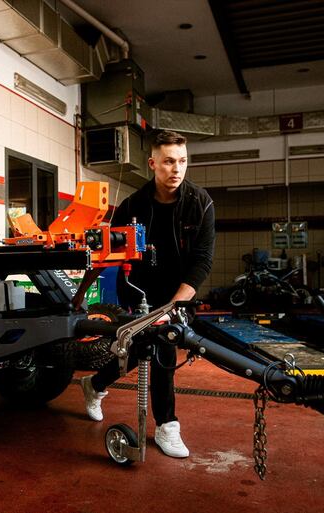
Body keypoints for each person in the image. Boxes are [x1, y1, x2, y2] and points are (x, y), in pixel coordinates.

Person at [80, 130, 215, 458]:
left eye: (182, 161)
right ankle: (167, 425)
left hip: (178, 293)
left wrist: (174, 305)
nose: (176, 169)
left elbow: (202, 261)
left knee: (143, 348)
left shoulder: (200, 204)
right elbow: (108, 252)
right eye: (169, 162)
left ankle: (96, 384)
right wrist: (80, 293)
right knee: (161, 347)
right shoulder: (133, 206)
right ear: (153, 164)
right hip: (139, 290)